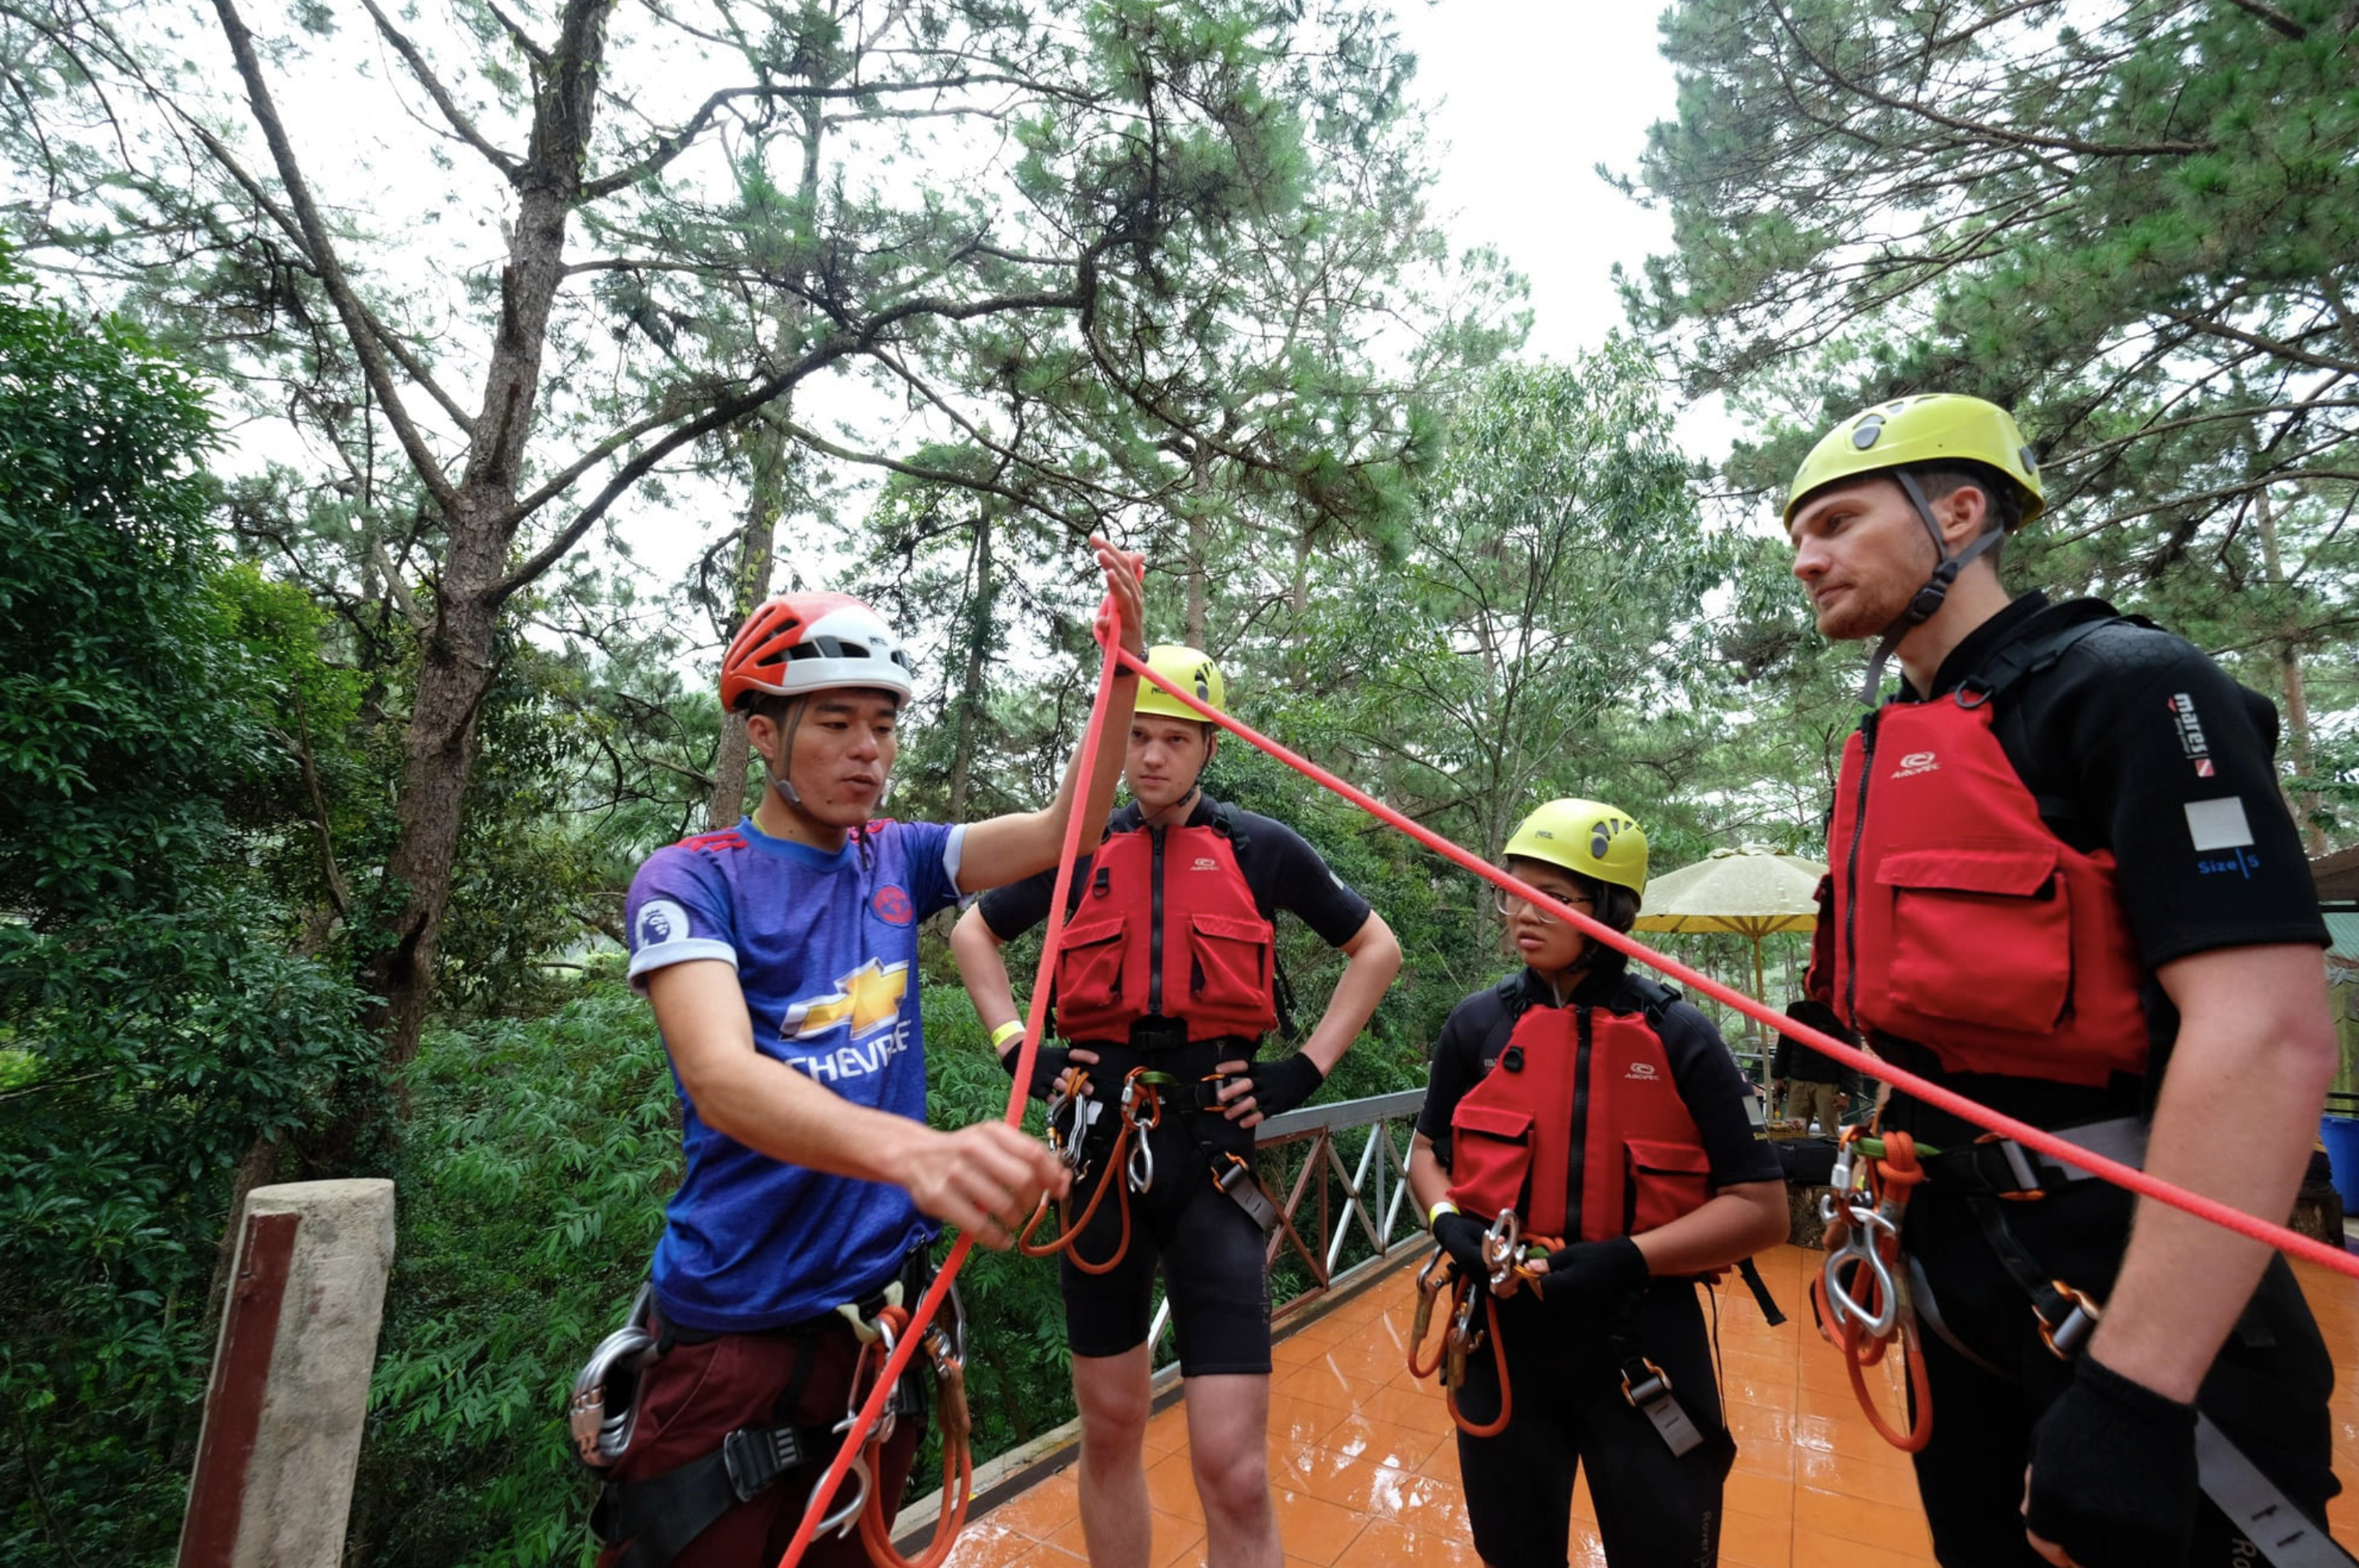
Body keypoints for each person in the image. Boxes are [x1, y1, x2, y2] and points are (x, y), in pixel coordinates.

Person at [1786, 393, 2342, 1568]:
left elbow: (2267, 1031)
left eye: (1834, 521)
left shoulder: (2131, 685)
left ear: (1960, 510)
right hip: (1956, 1275)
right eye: (1796, 534)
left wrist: (2137, 1391)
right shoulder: (1897, 746)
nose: (1804, 556)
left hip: (2135, 1286)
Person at [589, 543, 1146, 1568]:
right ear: (764, 732)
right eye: (836, 724)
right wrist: (919, 1155)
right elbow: (720, 1074)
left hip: (873, 1340)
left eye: (882, 727)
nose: (868, 753)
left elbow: (1066, 829)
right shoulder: (688, 882)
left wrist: (1119, 674)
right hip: (734, 1335)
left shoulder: (896, 857)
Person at [949, 644, 1401, 1568]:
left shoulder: (1260, 848)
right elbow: (973, 930)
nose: (1151, 758)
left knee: (1231, 1463)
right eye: (1137, 738)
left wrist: (1301, 1072)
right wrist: (1015, 1045)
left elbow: (1376, 948)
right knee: (1109, 1429)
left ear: (1207, 748)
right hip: (1098, 1153)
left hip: (1214, 1157)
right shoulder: (1078, 851)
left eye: (1173, 740)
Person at [1406, 798, 1788, 1568]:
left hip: (1638, 1336)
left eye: (1555, 896)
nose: (1523, 911)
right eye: (1512, 890)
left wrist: (1628, 1258)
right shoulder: (1478, 1026)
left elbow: (1763, 1210)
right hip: (1502, 1335)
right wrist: (1449, 1220)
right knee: (1511, 1551)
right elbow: (1425, 1151)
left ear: (1612, 910)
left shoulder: (1680, 1036)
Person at [1769, 995, 1857, 1133]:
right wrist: (1778, 1076)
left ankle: (1830, 1155)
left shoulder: (1843, 1012)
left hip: (1829, 1085)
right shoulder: (1796, 1010)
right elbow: (1784, 1044)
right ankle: (1792, 1154)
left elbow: (1852, 1053)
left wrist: (1846, 1092)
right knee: (1792, 1134)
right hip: (1799, 1082)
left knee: (1830, 1134)